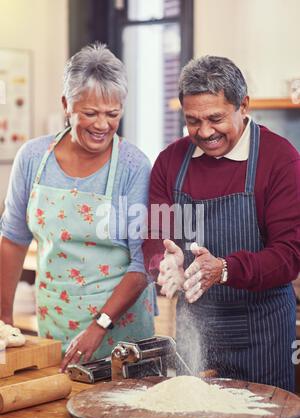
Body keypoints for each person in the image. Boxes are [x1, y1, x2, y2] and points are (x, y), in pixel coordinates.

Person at [143, 55, 300, 391]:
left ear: (243, 105)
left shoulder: (279, 158)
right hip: (194, 330)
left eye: (215, 118)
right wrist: (163, 261)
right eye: (192, 121)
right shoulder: (170, 161)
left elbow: (289, 255)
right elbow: (156, 235)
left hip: (263, 333)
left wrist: (225, 269)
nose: (205, 132)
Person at [0, 43, 157, 371]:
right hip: (55, 324)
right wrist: (3, 317)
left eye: (112, 114)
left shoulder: (134, 166)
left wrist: (100, 325)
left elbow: (143, 264)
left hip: (120, 334)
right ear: (65, 105)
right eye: (90, 113)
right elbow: (13, 240)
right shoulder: (32, 158)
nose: (102, 125)